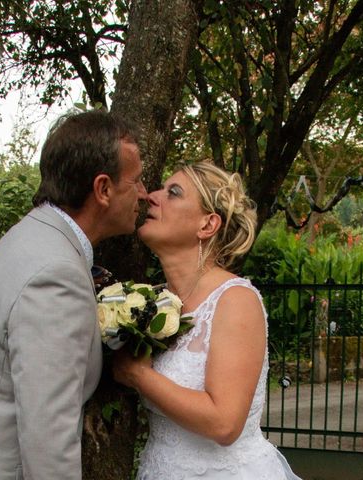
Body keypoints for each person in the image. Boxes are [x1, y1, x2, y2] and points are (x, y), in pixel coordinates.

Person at [0, 110, 147, 480]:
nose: (143, 193)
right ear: (103, 189)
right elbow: (48, 440)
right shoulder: (56, 273)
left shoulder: (32, 238)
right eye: (135, 181)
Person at [114, 161, 302, 479]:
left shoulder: (235, 300)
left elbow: (224, 423)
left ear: (207, 225)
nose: (152, 197)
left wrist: (138, 376)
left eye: (173, 193)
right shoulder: (153, 304)